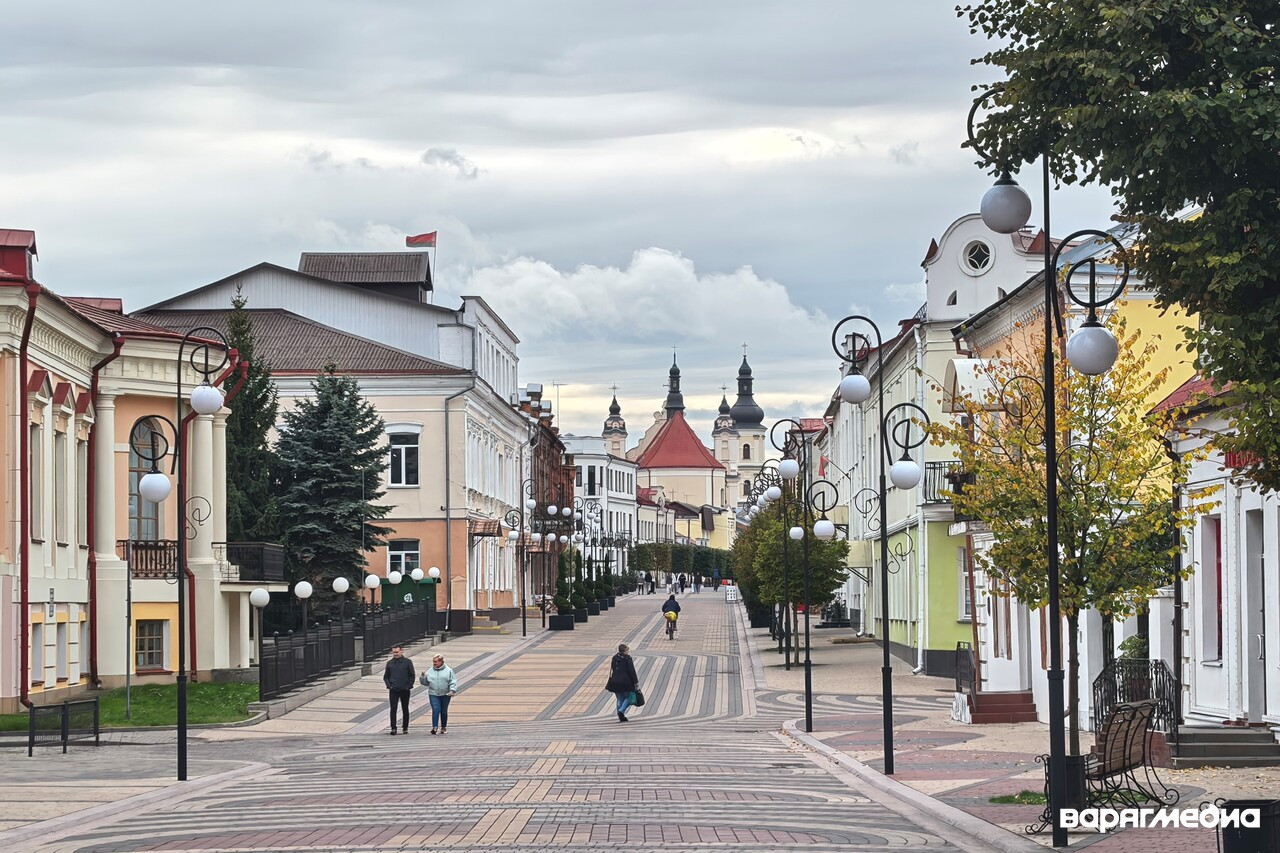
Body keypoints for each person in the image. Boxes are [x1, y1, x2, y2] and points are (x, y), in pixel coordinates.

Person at [420, 653, 458, 734]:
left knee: (443, 711)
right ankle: (435, 727)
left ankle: (443, 727)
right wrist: (423, 677)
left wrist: (452, 690)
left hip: (445, 694)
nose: (434, 663)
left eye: (436, 662)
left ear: (441, 662)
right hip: (433, 693)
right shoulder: (430, 671)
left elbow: (453, 681)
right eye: (433, 661)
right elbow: (425, 683)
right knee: (436, 709)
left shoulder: (449, 671)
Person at [383, 645, 415, 735]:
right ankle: (393, 728)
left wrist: (409, 686)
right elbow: (386, 677)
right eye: (394, 652)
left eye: (397, 652)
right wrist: (389, 685)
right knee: (393, 708)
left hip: (405, 689)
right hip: (393, 690)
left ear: (401, 651)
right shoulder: (390, 663)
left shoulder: (408, 662)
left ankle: (405, 727)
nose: (395, 654)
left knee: (405, 708)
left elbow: (412, 675)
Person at [605, 643, 640, 722]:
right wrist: (636, 682)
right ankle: (621, 711)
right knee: (629, 697)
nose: (628, 652)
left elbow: (613, 668)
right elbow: (632, 671)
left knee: (620, 698)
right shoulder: (628, 658)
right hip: (626, 682)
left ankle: (621, 716)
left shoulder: (614, 658)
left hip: (615, 681)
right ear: (625, 651)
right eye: (628, 650)